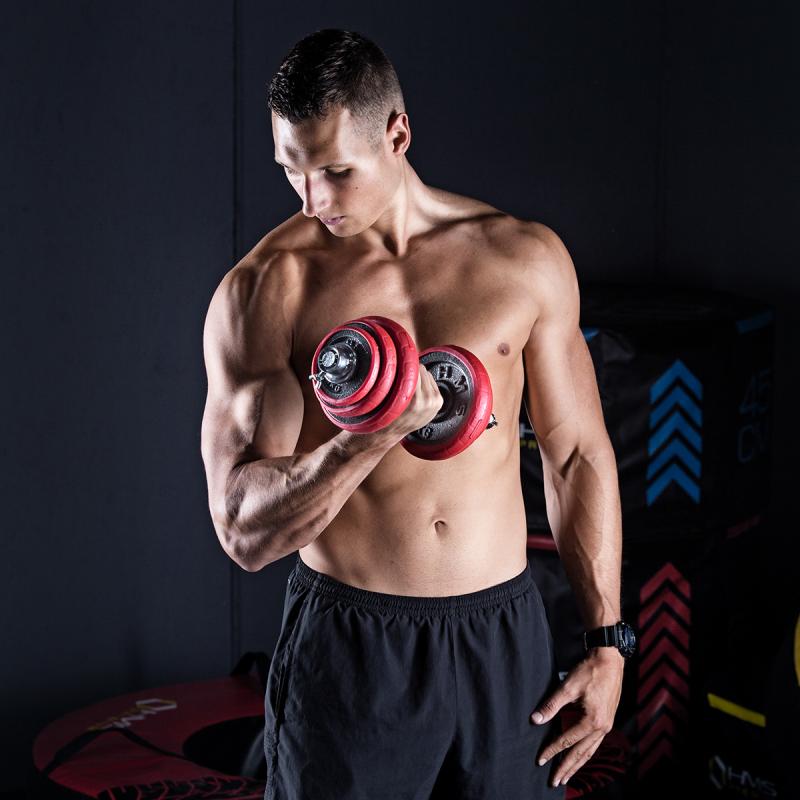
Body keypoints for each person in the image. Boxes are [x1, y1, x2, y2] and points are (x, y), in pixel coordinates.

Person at [201, 27, 624, 800]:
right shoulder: (268, 291)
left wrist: (607, 641)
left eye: (335, 171)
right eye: (291, 171)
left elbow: (576, 455)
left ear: (397, 134)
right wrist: (366, 439)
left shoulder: (523, 260)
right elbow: (241, 530)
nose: (312, 201)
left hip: (503, 641)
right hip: (352, 646)